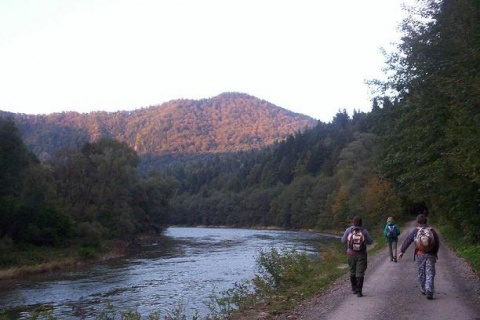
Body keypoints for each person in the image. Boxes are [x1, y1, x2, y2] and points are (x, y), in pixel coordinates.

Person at [398, 214, 440, 300]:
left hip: (420, 254)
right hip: (430, 254)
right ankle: (429, 290)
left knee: (421, 272)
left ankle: (423, 288)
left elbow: (408, 240)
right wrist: (435, 253)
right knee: (430, 272)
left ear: (418, 222)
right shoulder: (432, 230)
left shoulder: (416, 231)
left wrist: (402, 251)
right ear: (426, 221)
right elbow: (437, 243)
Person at [341, 216, 374, 297]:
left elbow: (343, 241)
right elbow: (370, 242)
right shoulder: (364, 231)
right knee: (360, 272)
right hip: (361, 254)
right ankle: (359, 292)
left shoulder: (349, 230)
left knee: (352, 270)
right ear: (361, 223)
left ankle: (354, 289)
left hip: (350, 254)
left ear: (353, 222)